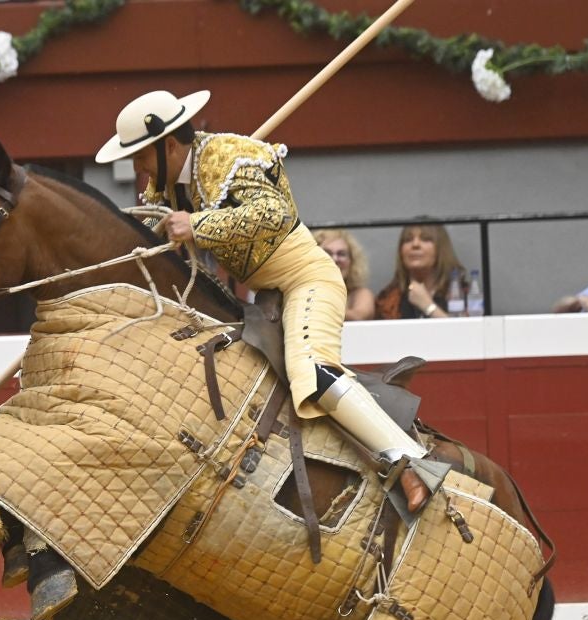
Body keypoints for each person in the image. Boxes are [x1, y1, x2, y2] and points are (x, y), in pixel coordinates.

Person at [95, 89, 448, 516]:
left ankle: (413, 463)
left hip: (306, 280)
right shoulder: (165, 187)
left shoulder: (229, 155)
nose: (138, 168)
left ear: (168, 145)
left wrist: (198, 223)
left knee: (312, 370)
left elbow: (275, 213)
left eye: (140, 156)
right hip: (265, 297)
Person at [373, 222, 466, 320]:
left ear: (440, 249)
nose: (415, 244)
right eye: (408, 240)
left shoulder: (462, 293)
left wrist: (428, 306)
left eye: (425, 239)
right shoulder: (388, 300)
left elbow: (468, 330)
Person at [313, 228, 374, 321]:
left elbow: (359, 317)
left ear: (352, 261)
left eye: (341, 254)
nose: (335, 259)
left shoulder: (359, 294)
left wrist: (317, 311)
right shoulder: (300, 290)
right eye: (327, 253)